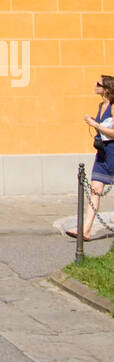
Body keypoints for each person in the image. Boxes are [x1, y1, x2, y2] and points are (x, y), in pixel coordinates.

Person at [69, 74, 114, 240]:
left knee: (96, 190)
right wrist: (94, 121)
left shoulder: (113, 107)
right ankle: (85, 230)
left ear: (107, 89)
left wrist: (95, 125)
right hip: (102, 152)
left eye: (98, 84)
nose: (94, 86)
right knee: (95, 190)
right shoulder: (101, 105)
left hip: (112, 152)